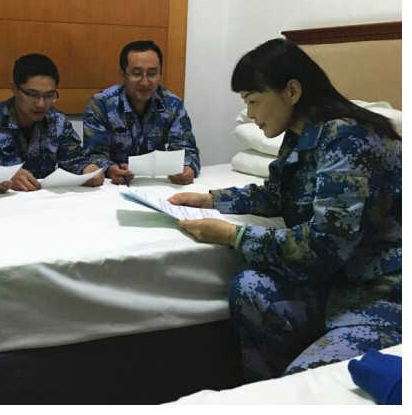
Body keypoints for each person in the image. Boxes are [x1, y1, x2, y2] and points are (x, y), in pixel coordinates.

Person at [169, 37, 401, 380]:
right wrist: (210, 199)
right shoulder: (302, 134)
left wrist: (234, 235)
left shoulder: (349, 138)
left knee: (311, 382)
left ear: (292, 91)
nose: (250, 115)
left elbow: (323, 245)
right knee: (249, 288)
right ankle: (267, 388)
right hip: (331, 285)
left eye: (254, 101)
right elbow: (278, 195)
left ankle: (292, 380)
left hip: (378, 295)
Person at [0, 53, 104, 186]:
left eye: (49, 95)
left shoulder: (58, 122)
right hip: (2, 202)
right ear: (14, 89)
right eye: (32, 95)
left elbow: (74, 159)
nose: (41, 104)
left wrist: (89, 170)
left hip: (44, 201)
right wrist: (5, 176)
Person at [83, 38, 200, 181]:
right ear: (123, 75)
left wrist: (187, 168)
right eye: (137, 73)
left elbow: (186, 150)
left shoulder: (172, 104)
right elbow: (93, 155)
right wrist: (109, 169)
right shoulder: (101, 104)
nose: (145, 82)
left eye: (152, 74)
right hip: (113, 185)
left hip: (158, 184)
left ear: (160, 74)